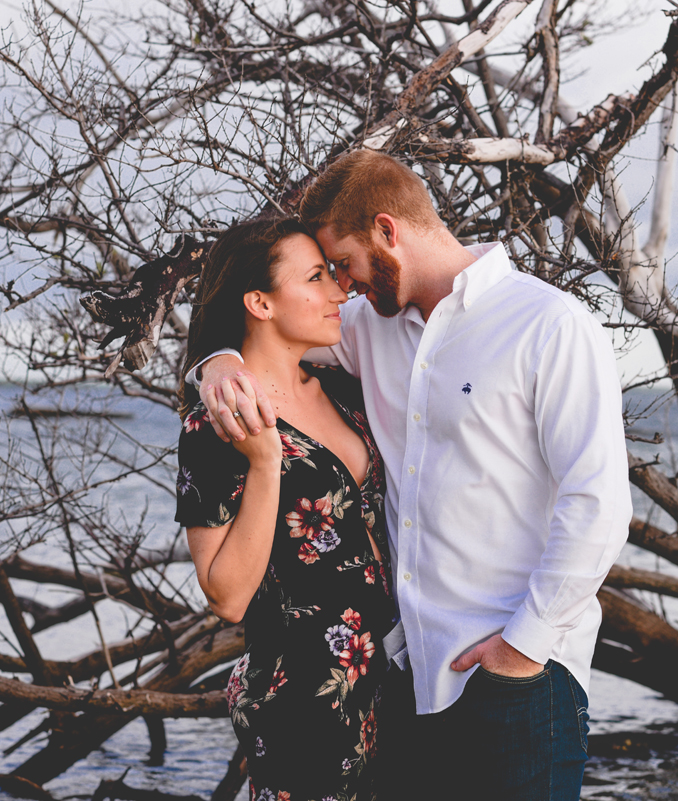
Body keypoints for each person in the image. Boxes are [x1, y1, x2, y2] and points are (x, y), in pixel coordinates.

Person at [196, 151, 631, 800]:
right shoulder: (372, 327)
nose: (342, 287)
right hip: (409, 683)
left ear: (387, 231)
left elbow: (597, 506)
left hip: (519, 680)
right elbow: (269, 336)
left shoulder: (549, 326)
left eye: (344, 264)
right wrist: (216, 361)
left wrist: (521, 651)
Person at [175, 217, 395, 801]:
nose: (337, 292)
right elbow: (226, 596)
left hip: (387, 677)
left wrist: (212, 359)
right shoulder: (217, 424)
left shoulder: (343, 389)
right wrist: (265, 465)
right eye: (316, 277)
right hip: (301, 696)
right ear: (259, 303)